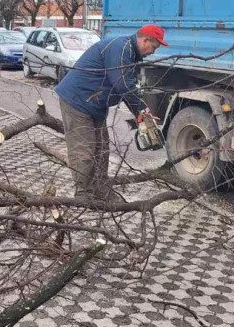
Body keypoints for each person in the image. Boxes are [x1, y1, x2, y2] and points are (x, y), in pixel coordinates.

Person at [54, 24, 168, 200]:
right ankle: (83, 194)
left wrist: (142, 115)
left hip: (96, 104)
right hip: (77, 100)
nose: (153, 52)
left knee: (102, 149)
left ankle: (101, 190)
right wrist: (142, 111)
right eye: (154, 47)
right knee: (84, 150)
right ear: (145, 40)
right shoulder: (121, 48)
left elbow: (125, 86)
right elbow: (123, 84)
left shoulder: (130, 53)